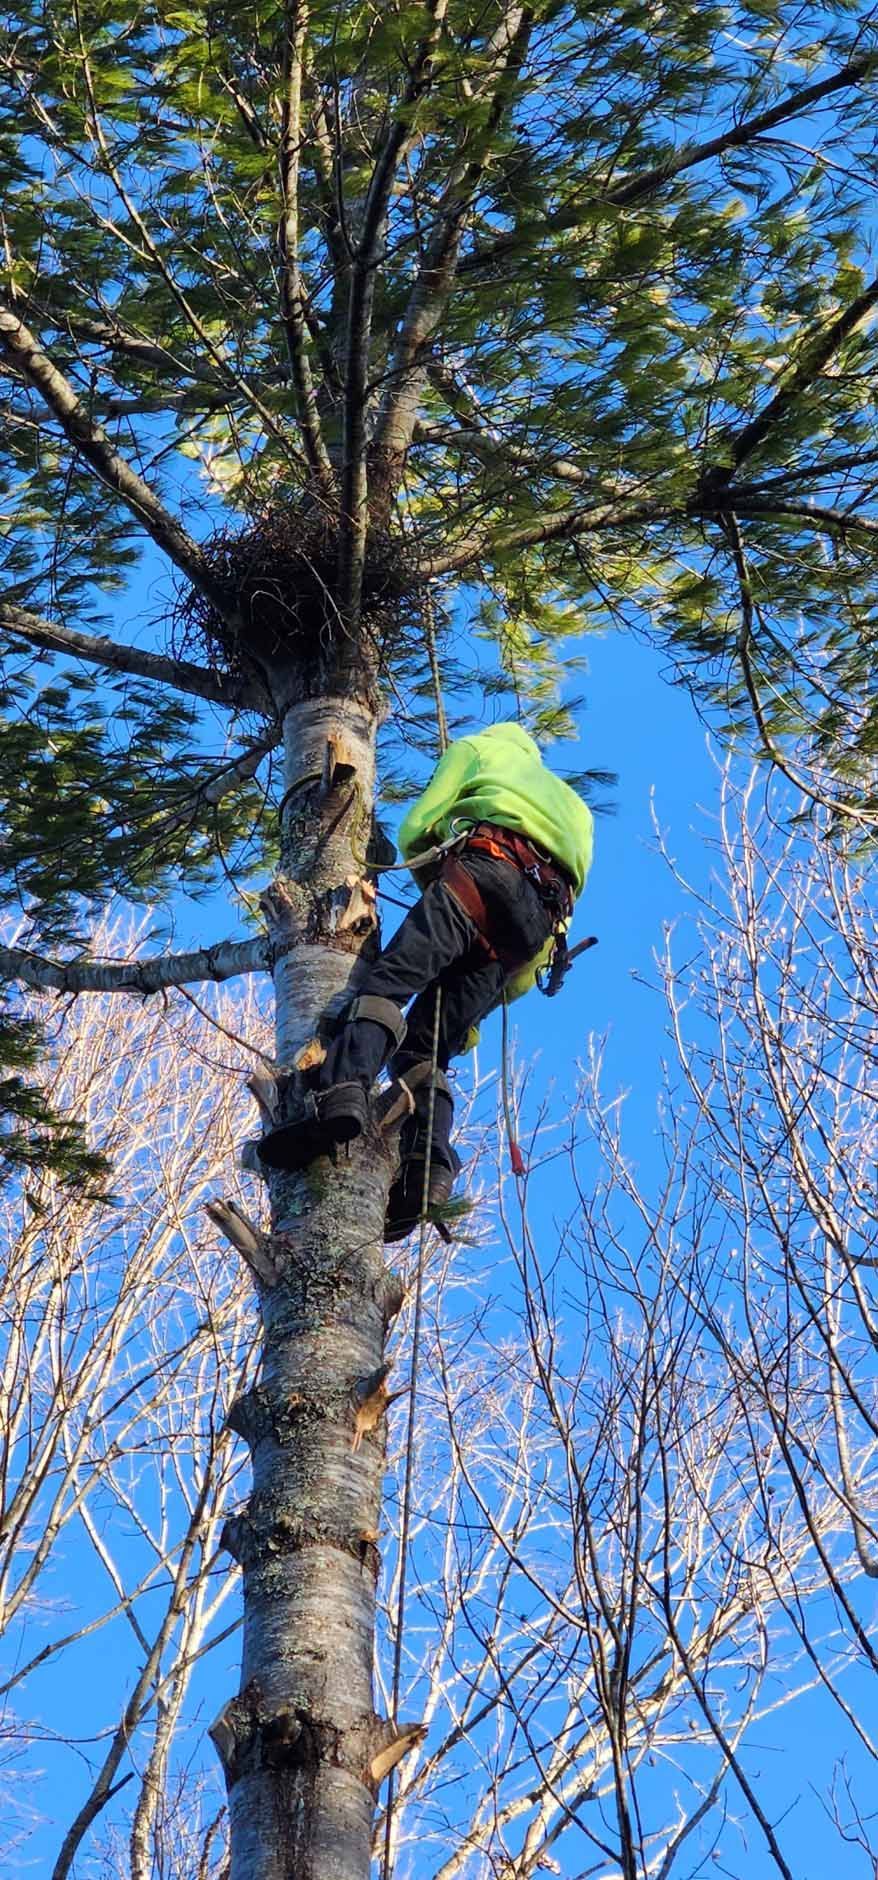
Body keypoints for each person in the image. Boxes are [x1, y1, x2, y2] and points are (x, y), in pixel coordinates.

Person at [258, 722, 594, 1238]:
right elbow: (544, 950)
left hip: (483, 872)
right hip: (529, 931)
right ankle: (428, 1168)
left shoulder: (477, 749)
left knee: (391, 982)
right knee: (425, 1052)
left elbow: (419, 827)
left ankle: (340, 1090)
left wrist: (443, 892)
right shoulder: (576, 810)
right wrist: (472, 1016)